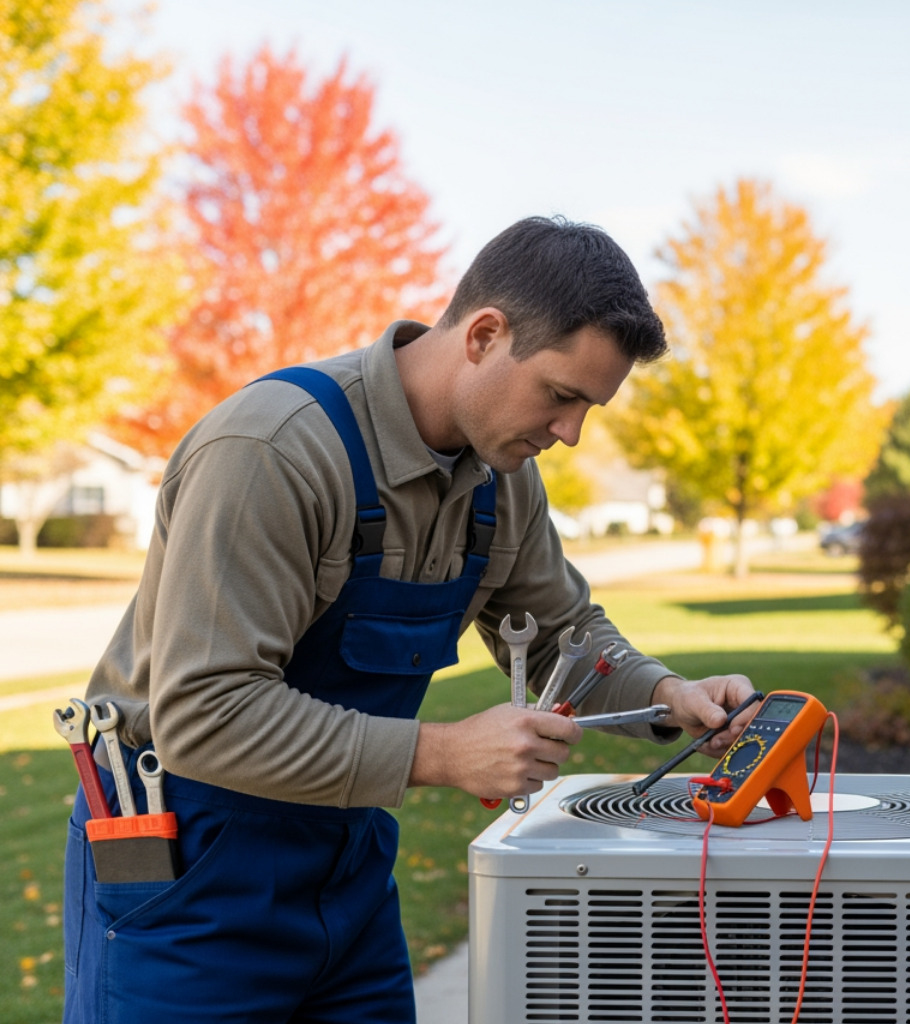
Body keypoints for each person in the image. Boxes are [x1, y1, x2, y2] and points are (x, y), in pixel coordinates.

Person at [63, 217, 757, 1023]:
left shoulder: (502, 479)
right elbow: (205, 715)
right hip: (186, 872)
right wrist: (444, 752)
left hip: (348, 871)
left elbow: (570, 639)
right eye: (563, 396)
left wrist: (672, 695)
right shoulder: (273, 452)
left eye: (589, 408)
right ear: (484, 334)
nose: (570, 433)